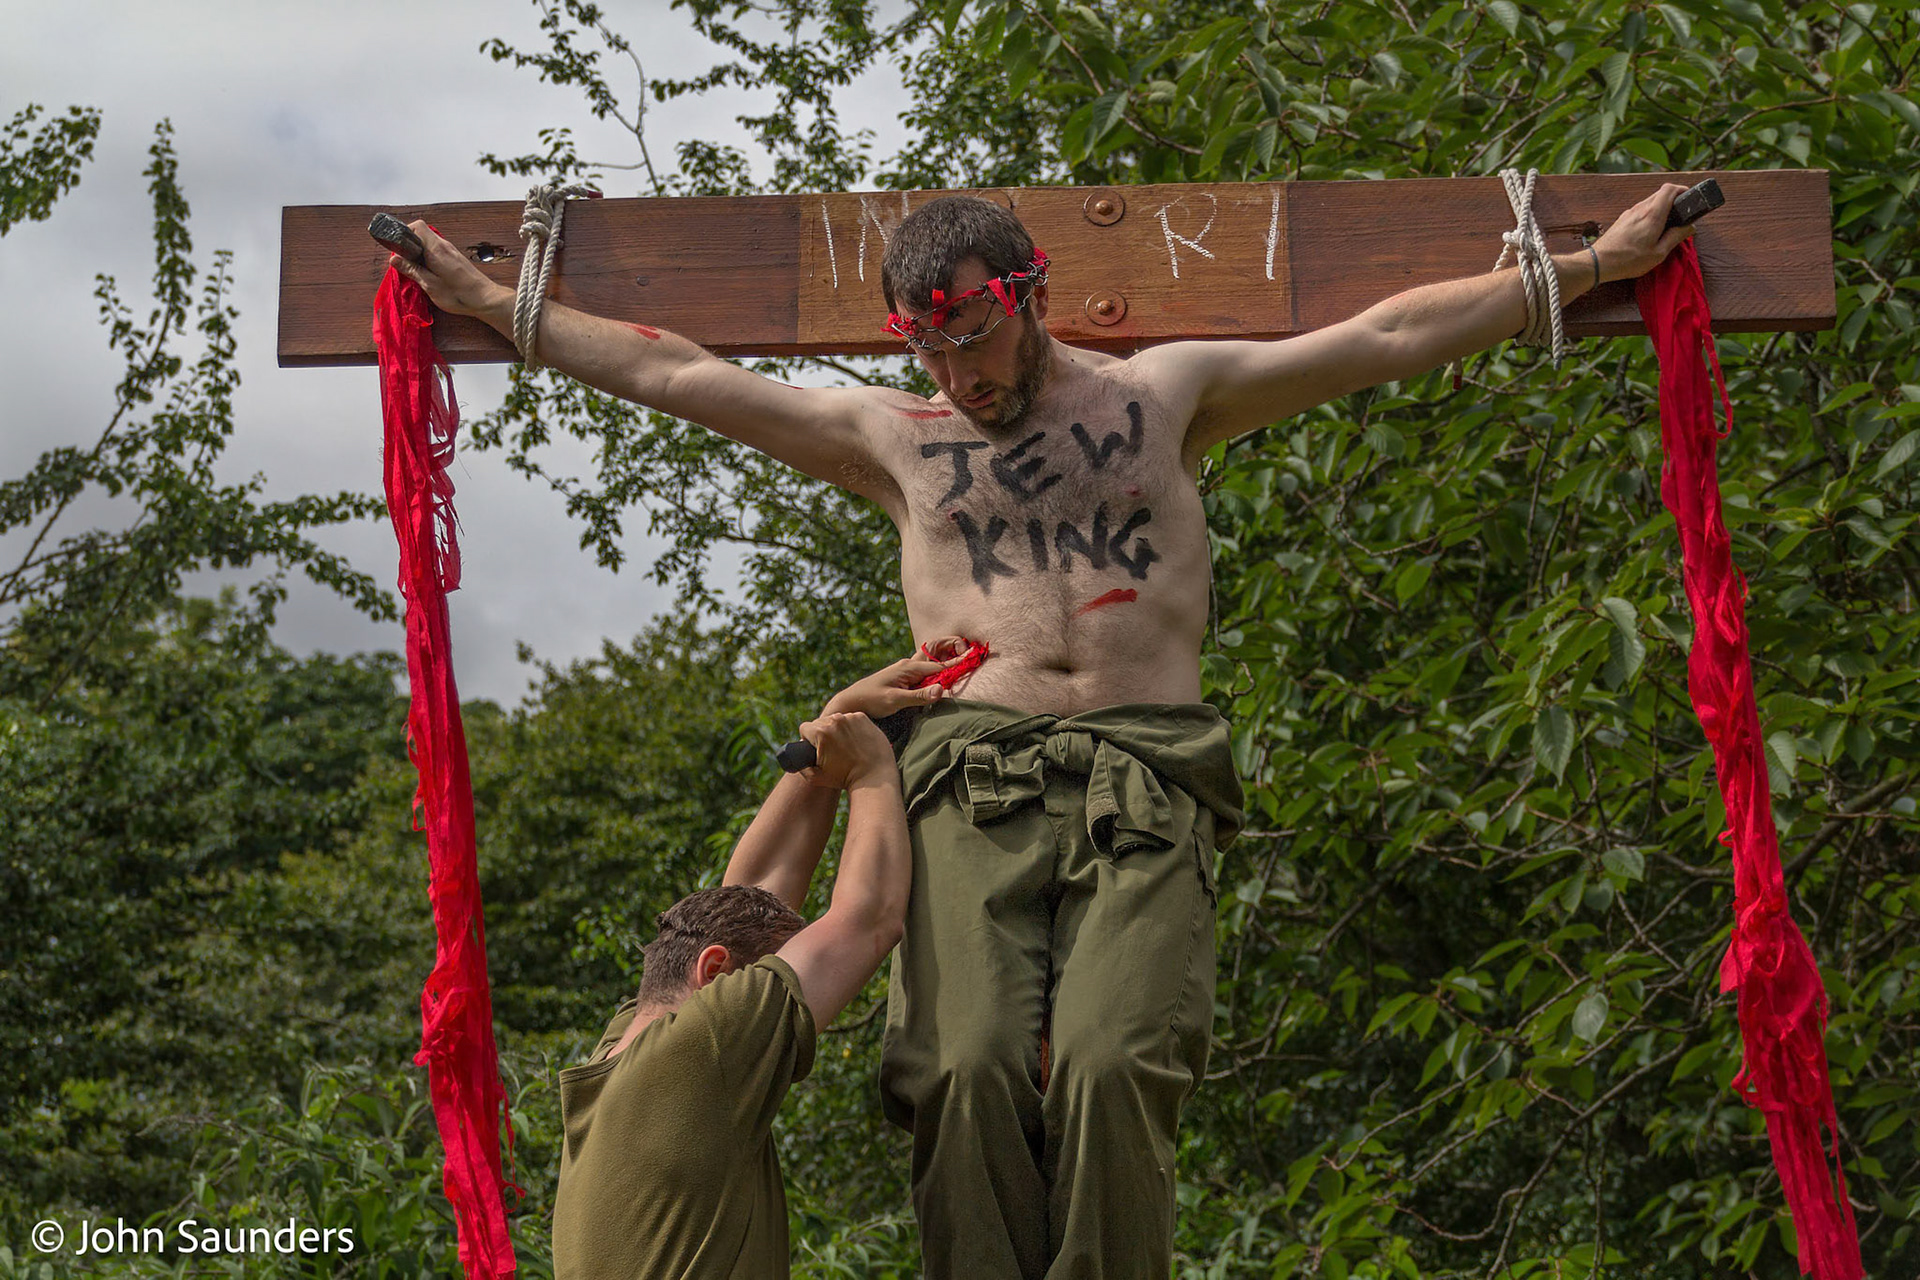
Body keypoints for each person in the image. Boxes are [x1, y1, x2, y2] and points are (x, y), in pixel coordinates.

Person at [394, 183, 1696, 1279]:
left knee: (1115, 1061)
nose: (962, 376)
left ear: (1030, 288)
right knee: (959, 1071)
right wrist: (498, 307)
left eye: (978, 338)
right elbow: (678, 370)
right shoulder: (897, 441)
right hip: (969, 777)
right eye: (932, 352)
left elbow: (1384, 336)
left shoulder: (1162, 396)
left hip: (1144, 772)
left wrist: (1585, 267)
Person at [549, 649, 962, 1280]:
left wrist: (829, 729)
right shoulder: (697, 1052)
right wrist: (874, 771)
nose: (800, 979)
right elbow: (870, 921)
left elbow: (748, 899)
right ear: (713, 974)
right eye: (781, 971)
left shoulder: (622, 1053)